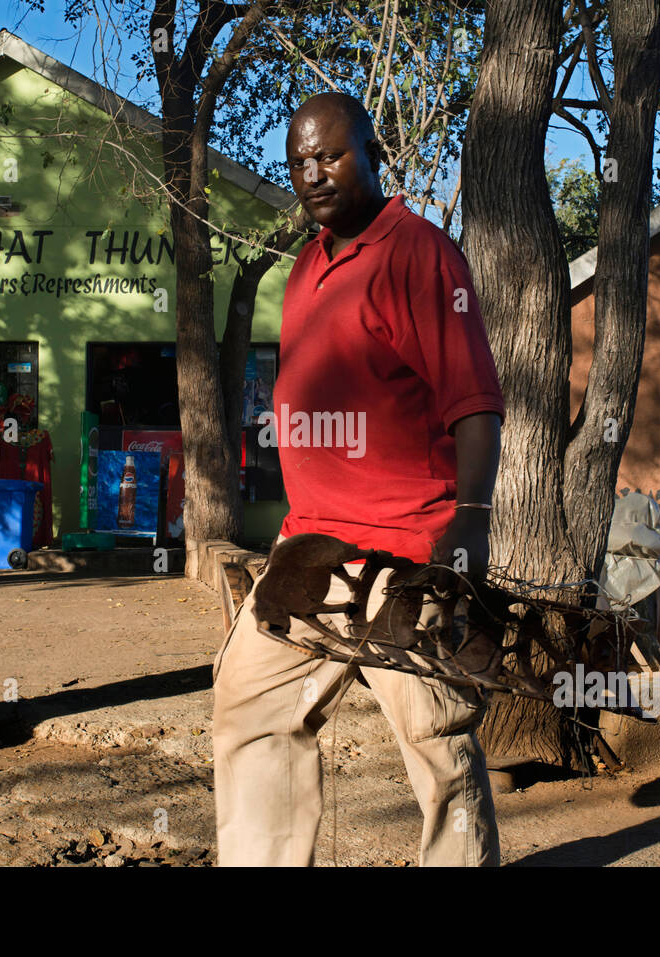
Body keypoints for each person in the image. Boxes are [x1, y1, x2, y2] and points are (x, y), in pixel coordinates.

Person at [211, 92, 505, 866]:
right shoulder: (307, 263)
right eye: (299, 162)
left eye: (331, 155)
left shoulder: (421, 253)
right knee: (250, 707)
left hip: (406, 548)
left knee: (435, 738)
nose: (313, 173)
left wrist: (469, 521)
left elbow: (475, 402)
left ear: (374, 151)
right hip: (309, 548)